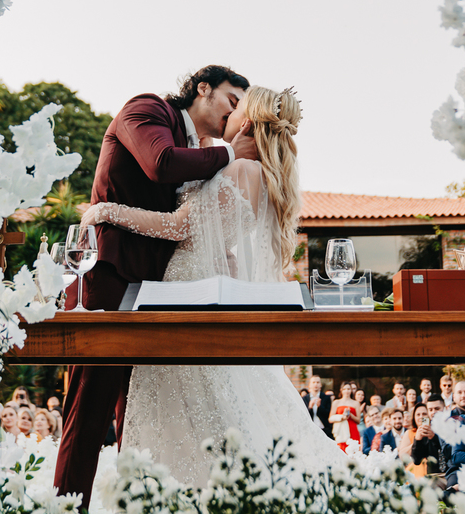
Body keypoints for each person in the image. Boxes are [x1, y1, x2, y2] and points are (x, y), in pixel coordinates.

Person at [80, 85, 342, 485]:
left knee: (187, 405)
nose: (228, 114)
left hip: (185, 288)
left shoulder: (240, 170)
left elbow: (179, 226)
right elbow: (221, 240)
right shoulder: (258, 174)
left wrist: (106, 210)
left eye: (236, 108)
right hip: (201, 282)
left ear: (247, 122)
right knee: (203, 405)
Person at [54, 65, 256, 506]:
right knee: (89, 409)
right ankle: (65, 507)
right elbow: (160, 163)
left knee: (139, 413)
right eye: (231, 99)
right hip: (110, 275)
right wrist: (230, 153)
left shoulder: (200, 149)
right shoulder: (147, 110)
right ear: (202, 88)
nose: (234, 112)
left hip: (158, 288)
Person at [329, 381, 360, 451]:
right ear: (341, 390)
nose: (347, 391)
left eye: (348, 389)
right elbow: (330, 419)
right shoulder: (336, 402)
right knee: (342, 449)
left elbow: (358, 420)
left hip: (352, 429)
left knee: (354, 450)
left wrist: (351, 415)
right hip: (341, 430)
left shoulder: (356, 403)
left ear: (351, 390)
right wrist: (341, 417)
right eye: (344, 389)